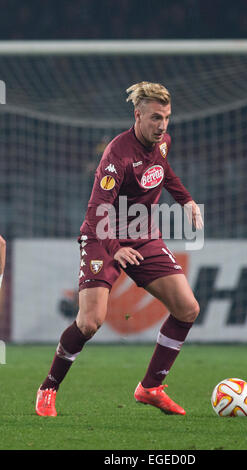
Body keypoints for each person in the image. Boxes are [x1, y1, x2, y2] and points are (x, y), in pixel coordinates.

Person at [35, 82, 203, 417]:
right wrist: (116, 248)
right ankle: (48, 388)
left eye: (167, 117)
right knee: (90, 322)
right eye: (156, 118)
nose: (163, 125)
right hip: (102, 237)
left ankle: (151, 387)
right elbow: (97, 211)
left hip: (142, 235)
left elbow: (163, 171)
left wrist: (185, 200)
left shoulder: (163, 142)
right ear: (138, 115)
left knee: (187, 309)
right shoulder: (117, 155)